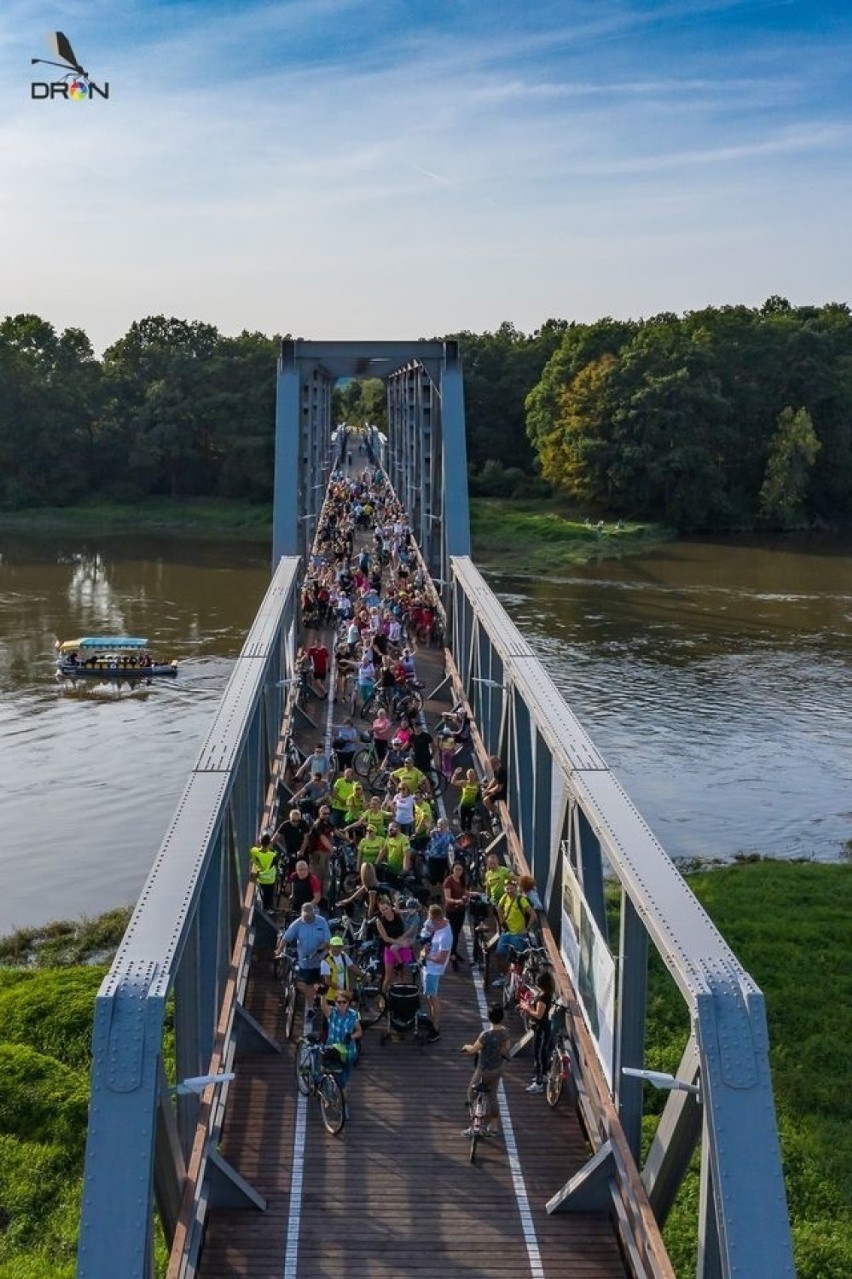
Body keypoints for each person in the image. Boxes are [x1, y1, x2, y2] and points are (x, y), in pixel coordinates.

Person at [461, 1005, 512, 1137]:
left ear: (489, 1018)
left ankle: (473, 1125)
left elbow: (473, 1050)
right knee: (492, 1095)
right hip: (497, 1069)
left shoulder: (485, 1035)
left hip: (483, 1069)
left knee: (471, 1093)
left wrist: (466, 1047)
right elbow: (506, 1048)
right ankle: (494, 1127)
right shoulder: (504, 1032)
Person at [277, 902, 331, 1001]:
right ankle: (308, 1006)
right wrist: (279, 950)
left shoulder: (322, 922)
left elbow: (327, 940)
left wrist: (317, 950)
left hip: (320, 960)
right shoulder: (298, 923)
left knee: (322, 986)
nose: (305, 919)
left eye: (308, 917)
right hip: (305, 962)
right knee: (308, 984)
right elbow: (286, 937)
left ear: (313, 914)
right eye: (304, 917)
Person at [492, 880, 536, 985]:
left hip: (518, 934)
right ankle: (506, 976)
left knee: (517, 959)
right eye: (507, 888)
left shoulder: (521, 900)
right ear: (504, 889)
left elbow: (533, 915)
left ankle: (516, 981)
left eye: (511, 888)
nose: (509, 891)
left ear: (515, 889)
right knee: (499, 954)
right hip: (507, 932)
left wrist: (527, 928)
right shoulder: (504, 897)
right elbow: (498, 908)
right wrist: (502, 922)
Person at [419, 904, 452, 1041]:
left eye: (432, 921)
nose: (429, 923)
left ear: (437, 920)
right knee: (428, 996)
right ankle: (433, 1021)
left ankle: (436, 1028)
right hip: (427, 966)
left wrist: (425, 956)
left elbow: (441, 959)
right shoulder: (438, 924)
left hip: (433, 970)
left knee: (433, 998)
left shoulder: (445, 936)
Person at [520, 970, 556, 1093]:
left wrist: (527, 1008)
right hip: (543, 1028)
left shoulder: (543, 998)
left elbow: (539, 1015)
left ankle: (539, 1083)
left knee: (539, 1055)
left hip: (541, 1029)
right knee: (541, 1053)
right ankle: (543, 1075)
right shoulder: (547, 994)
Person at [374, 897, 417, 990]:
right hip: (389, 948)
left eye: (386, 908)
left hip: (402, 946)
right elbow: (385, 938)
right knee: (388, 977)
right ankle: (383, 996)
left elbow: (411, 915)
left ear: (390, 906)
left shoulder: (397, 914)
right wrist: (399, 942)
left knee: (404, 974)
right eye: (382, 910)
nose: (385, 911)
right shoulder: (379, 921)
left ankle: (401, 995)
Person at [324, 989, 362, 1089]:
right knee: (336, 1078)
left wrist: (351, 1036)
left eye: (344, 1002)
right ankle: (339, 1098)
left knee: (344, 1077)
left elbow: (359, 1031)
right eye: (339, 1002)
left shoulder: (353, 1014)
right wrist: (322, 995)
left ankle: (340, 1095)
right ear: (335, 1002)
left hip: (348, 1052)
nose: (341, 1004)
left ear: (348, 1003)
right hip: (333, 1050)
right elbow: (324, 1007)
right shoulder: (332, 1013)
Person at [320, 934, 362, 1011]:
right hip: (331, 996)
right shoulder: (325, 961)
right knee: (331, 1018)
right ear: (330, 946)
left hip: (343, 994)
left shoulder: (343, 956)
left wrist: (362, 975)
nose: (337, 949)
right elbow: (328, 981)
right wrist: (342, 991)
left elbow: (352, 967)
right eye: (335, 946)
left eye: (339, 946)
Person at [443, 858, 470, 970]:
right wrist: (457, 901)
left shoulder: (462, 880)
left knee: (457, 932)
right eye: (456, 869)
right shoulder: (448, 880)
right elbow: (448, 898)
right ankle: (452, 956)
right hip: (452, 910)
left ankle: (453, 951)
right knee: (453, 933)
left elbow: (465, 892)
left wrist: (472, 894)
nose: (458, 871)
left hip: (461, 910)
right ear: (452, 869)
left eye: (460, 869)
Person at [248, 833, 277, 913]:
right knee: (269, 895)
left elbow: (253, 860)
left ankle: (264, 908)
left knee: (263, 894)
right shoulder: (273, 855)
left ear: (260, 841)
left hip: (260, 878)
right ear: (269, 843)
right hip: (270, 879)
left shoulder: (254, 851)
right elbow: (275, 865)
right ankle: (269, 909)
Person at [451, 766, 481, 832]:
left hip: (471, 806)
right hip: (463, 805)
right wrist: (455, 773)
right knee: (463, 821)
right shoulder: (464, 782)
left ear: (475, 775)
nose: (471, 777)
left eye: (472, 775)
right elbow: (453, 782)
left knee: (470, 820)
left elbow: (486, 785)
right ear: (467, 776)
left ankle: (470, 834)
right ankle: (464, 834)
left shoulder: (477, 784)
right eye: (469, 775)